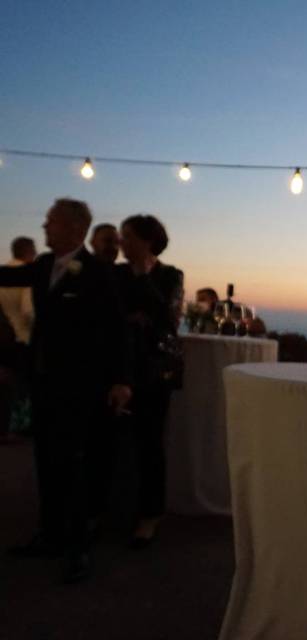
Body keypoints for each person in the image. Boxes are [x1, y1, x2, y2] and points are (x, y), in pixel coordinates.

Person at [0, 198, 131, 584]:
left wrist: (122, 380)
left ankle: (78, 548)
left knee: (75, 466)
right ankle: (50, 535)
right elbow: (6, 278)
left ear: (76, 230)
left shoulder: (98, 273)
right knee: (46, 461)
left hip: (81, 386)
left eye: (51, 222)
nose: (44, 227)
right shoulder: (42, 266)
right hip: (43, 382)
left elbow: (117, 331)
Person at [114, 214, 183, 547]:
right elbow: (115, 315)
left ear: (146, 240)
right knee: (113, 440)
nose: (120, 242)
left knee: (150, 443)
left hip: (155, 371)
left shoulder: (170, 275)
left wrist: (142, 279)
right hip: (116, 365)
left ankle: (150, 515)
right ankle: (115, 507)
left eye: (126, 236)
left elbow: (168, 320)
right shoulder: (115, 274)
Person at [0, 237, 36, 444]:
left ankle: (7, 426)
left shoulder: (6, 273)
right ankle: (20, 427)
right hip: (24, 336)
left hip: (6, 337)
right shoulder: (27, 274)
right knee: (24, 387)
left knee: (10, 384)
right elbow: (28, 311)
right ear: (29, 251)